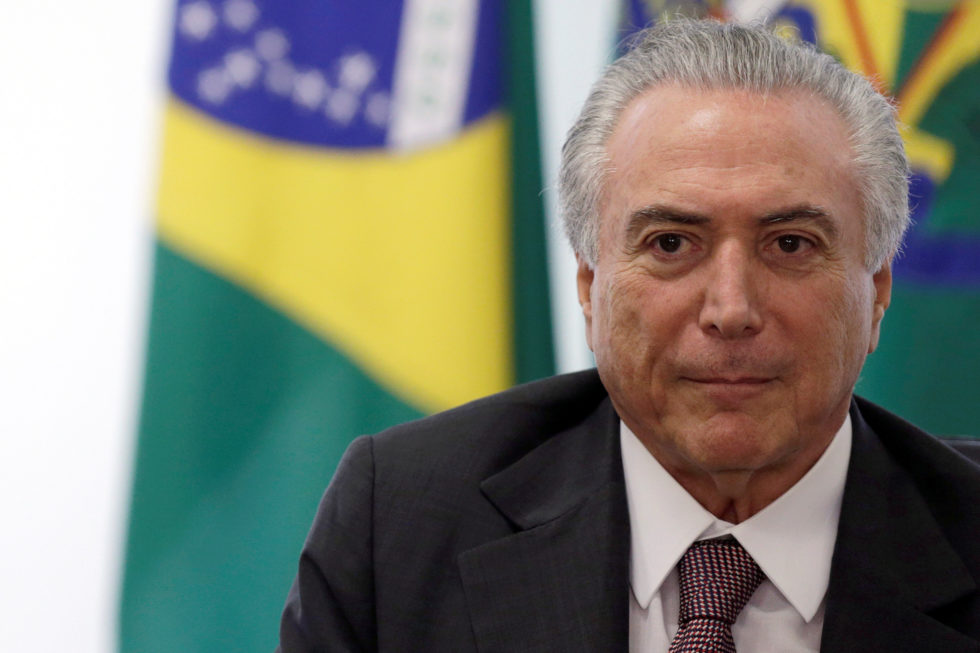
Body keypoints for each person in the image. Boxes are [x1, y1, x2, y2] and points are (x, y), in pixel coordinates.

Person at [278, 19, 980, 652]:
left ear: (878, 289)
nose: (731, 309)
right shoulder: (402, 525)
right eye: (672, 242)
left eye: (790, 244)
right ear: (589, 286)